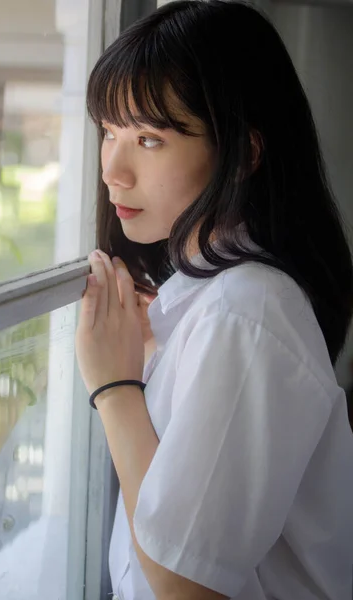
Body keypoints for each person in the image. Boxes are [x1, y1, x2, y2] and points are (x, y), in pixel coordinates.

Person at [75, 1, 353, 599]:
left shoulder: (246, 311)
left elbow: (185, 588)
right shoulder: (210, 302)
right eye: (109, 132)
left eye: (149, 139)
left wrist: (114, 387)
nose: (113, 172)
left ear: (243, 154)